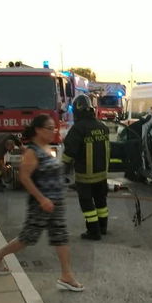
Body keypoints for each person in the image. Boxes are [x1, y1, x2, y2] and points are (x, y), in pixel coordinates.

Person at [0, 114, 83, 291]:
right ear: (38, 130)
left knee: (60, 237)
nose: (53, 131)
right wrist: (42, 199)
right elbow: (24, 177)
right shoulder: (32, 151)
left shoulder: (46, 148)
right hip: (41, 204)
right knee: (27, 238)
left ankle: (66, 276)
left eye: (54, 128)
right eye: (49, 128)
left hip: (55, 203)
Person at [62, 94, 111, 241]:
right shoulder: (102, 127)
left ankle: (93, 231)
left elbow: (69, 153)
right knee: (101, 201)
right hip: (102, 175)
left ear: (77, 111)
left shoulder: (78, 129)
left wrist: (63, 172)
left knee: (87, 203)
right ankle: (103, 227)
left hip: (85, 176)